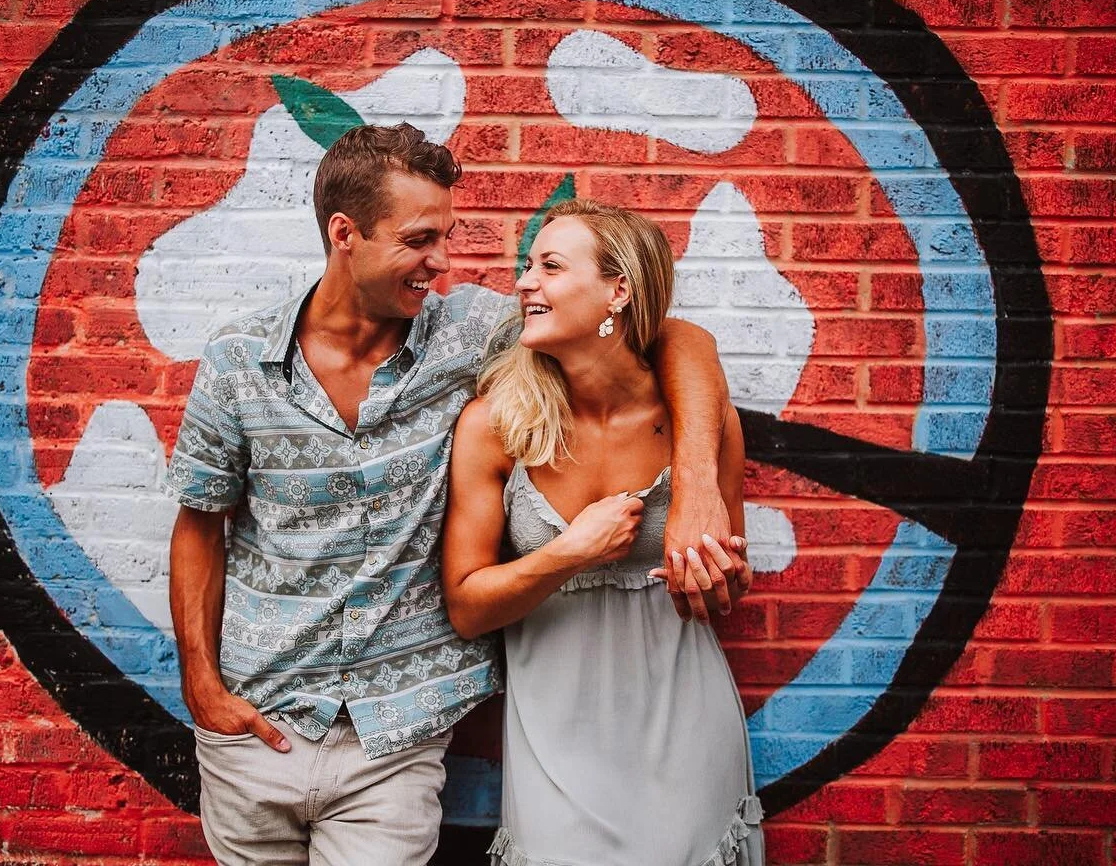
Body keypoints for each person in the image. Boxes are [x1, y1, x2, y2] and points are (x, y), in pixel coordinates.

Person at [162, 124, 743, 865]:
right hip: (257, 725)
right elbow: (198, 525)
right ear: (345, 234)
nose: (442, 261)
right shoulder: (240, 361)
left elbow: (672, 336)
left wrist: (695, 481)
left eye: (447, 236)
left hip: (398, 734)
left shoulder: (469, 329)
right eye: (419, 239)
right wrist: (202, 689)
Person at [442, 198, 764, 866]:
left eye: (551, 266)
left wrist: (721, 579)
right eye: (527, 266)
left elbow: (725, 582)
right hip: (555, 731)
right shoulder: (495, 425)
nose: (526, 281)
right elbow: (467, 607)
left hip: (684, 717)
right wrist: (569, 552)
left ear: (619, 289)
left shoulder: (700, 421)